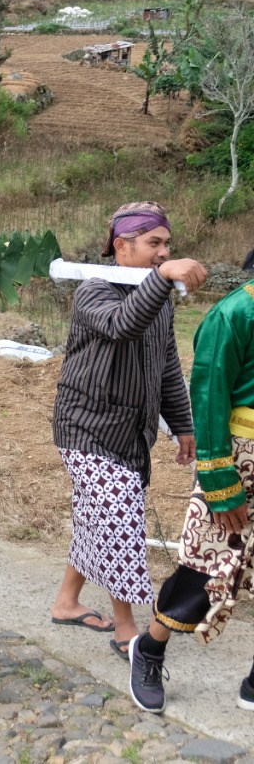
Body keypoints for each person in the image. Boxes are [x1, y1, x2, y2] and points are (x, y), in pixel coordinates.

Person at [50, 201, 206, 658]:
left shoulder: (159, 302)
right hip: (86, 428)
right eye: (154, 243)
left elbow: (167, 368)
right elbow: (122, 326)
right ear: (122, 246)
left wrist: (182, 424)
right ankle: (126, 628)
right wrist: (161, 279)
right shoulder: (93, 292)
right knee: (120, 520)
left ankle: (66, 601)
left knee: (97, 519)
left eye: (167, 245)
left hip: (131, 432)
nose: (163, 253)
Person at [128, 274, 254, 714]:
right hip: (238, 459)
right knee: (207, 565)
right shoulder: (234, 313)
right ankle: (150, 648)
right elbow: (208, 396)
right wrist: (221, 483)